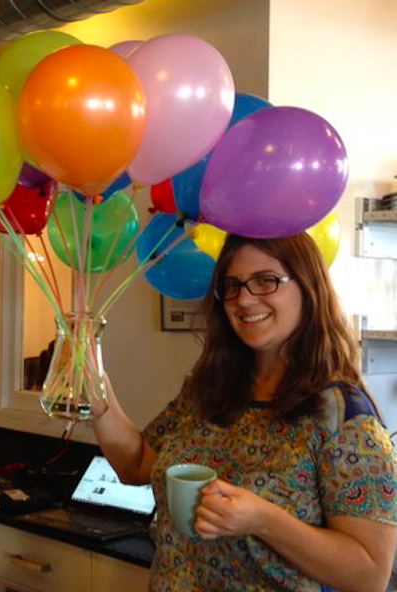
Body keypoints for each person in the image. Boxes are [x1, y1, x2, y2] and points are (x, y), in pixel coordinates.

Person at [93, 232, 397, 591]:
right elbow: (138, 464)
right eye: (232, 286)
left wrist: (263, 520)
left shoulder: (343, 417)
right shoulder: (208, 390)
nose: (244, 299)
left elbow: (370, 575)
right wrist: (97, 394)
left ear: (308, 287)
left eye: (266, 281)